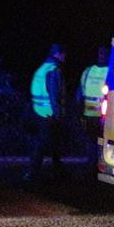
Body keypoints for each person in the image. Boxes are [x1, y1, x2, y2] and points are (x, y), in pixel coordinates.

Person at [26, 44, 67, 183]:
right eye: (63, 54)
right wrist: (58, 115)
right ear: (58, 54)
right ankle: (33, 173)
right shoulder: (54, 70)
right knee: (43, 144)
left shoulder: (41, 69)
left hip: (39, 112)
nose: (64, 57)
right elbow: (54, 95)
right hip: (50, 115)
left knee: (52, 143)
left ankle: (58, 171)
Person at [77, 46, 111, 177]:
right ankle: (95, 169)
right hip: (101, 116)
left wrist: (79, 112)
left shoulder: (88, 71)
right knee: (97, 144)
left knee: (92, 143)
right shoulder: (110, 72)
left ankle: (91, 168)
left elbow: (79, 95)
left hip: (91, 114)